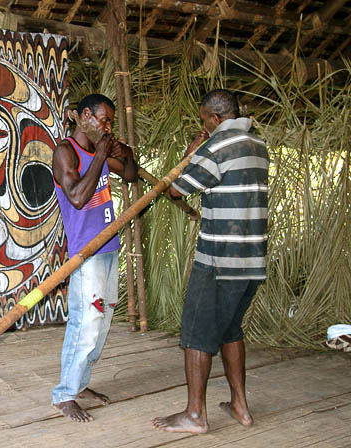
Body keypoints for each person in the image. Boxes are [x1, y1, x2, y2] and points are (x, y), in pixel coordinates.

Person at [152, 89, 269, 434]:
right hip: (252, 260)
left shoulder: (216, 147)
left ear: (214, 119)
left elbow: (177, 189)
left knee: (197, 334)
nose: (204, 124)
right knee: (230, 329)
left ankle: (195, 415)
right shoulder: (257, 145)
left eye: (204, 119)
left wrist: (193, 150)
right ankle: (240, 406)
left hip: (219, 260)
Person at [52, 94, 138, 422]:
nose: (107, 126)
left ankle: (80, 383)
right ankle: (64, 394)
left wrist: (123, 153)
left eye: (109, 122)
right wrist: (101, 155)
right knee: (85, 322)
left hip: (108, 247)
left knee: (101, 324)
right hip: (86, 252)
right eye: (103, 120)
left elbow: (130, 174)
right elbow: (76, 197)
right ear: (85, 115)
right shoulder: (66, 152)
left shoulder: (97, 149)